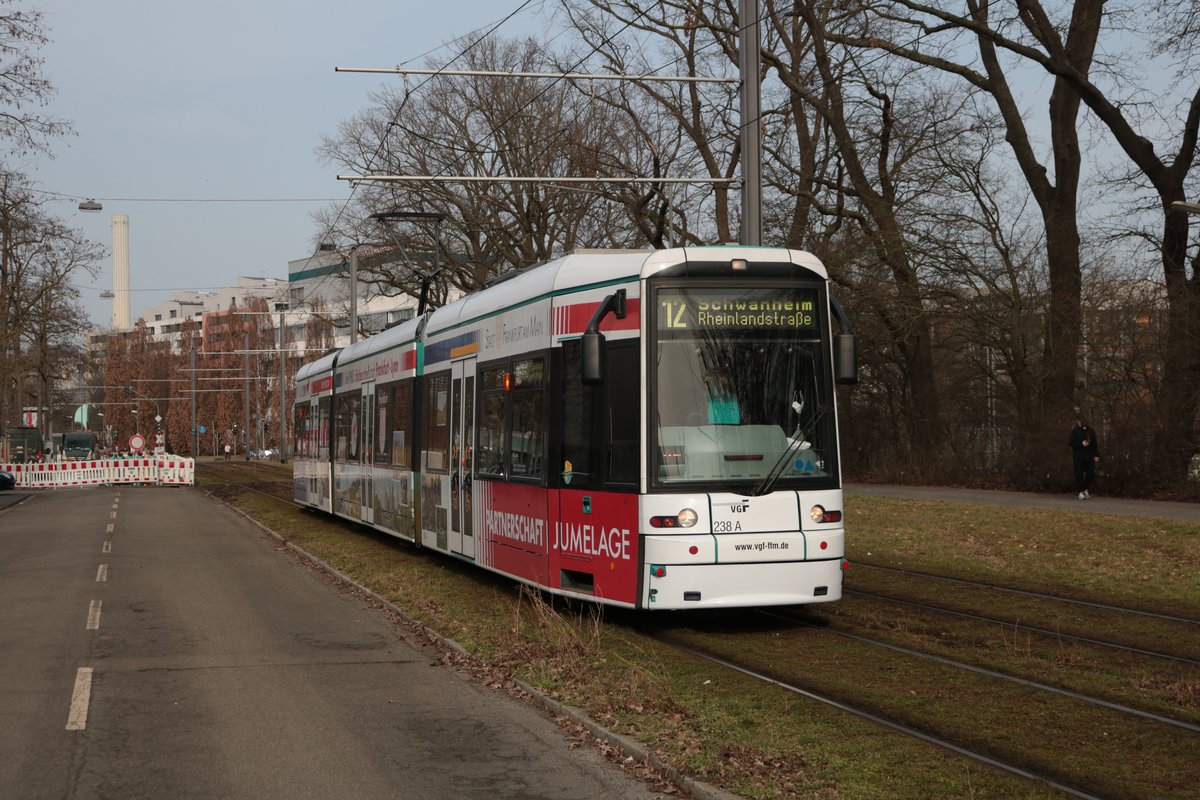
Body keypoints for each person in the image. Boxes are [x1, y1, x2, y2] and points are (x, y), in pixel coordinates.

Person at [1068, 415, 1101, 499]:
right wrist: (1081, 444)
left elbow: (1094, 444)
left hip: (1089, 456)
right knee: (1079, 474)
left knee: (1091, 474)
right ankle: (1080, 492)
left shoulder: (1091, 431)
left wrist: (1096, 455)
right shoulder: (1075, 431)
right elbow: (1071, 443)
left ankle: (1084, 488)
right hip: (1078, 457)